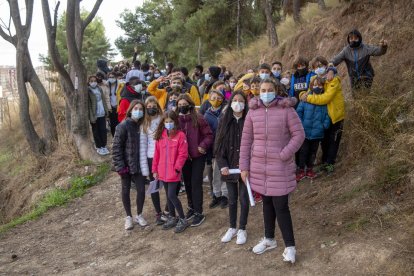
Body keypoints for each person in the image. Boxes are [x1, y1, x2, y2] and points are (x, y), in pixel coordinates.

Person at [239, 79, 305, 264]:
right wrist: (244, 167)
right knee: (266, 203)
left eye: (269, 90)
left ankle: (290, 247)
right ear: (258, 91)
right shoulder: (252, 112)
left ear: (276, 91)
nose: (266, 92)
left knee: (281, 206)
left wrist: (284, 154)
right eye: (263, 90)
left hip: (280, 167)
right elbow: (246, 141)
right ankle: (269, 239)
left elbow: (299, 135)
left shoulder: (286, 110)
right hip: (259, 167)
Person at [215, 91, 250, 245]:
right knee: (232, 199)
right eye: (234, 100)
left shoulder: (249, 119)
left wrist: (247, 166)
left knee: (243, 198)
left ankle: (242, 228)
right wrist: (222, 165)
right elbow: (219, 145)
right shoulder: (224, 120)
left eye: (241, 100)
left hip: (244, 168)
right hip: (229, 167)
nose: (237, 103)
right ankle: (232, 227)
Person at [112, 100, 150, 230]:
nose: (138, 111)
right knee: (125, 190)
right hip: (126, 165)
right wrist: (120, 166)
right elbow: (116, 147)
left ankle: (139, 214)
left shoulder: (143, 126)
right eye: (136, 108)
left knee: (141, 190)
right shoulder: (122, 126)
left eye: (141, 109)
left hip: (140, 164)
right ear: (130, 110)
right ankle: (128, 216)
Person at [177, 94, 213, 226]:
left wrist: (202, 146)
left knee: (196, 183)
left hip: (197, 156)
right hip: (184, 157)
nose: (182, 107)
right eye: (179, 105)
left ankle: (199, 212)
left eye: (184, 104)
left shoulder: (198, 118)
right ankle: (191, 207)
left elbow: (208, 135)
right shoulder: (177, 120)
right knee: (187, 183)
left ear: (190, 104)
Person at [300, 67, 345, 174]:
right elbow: (310, 88)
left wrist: (308, 98)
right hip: (325, 117)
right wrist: (302, 94)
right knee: (325, 141)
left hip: (335, 117)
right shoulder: (322, 81)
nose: (328, 75)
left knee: (333, 142)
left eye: (329, 72)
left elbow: (325, 99)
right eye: (316, 66)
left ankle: (329, 164)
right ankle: (325, 162)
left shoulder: (333, 82)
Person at [152, 110, 189, 233]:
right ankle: (172, 217)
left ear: (175, 122)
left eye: (171, 121)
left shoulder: (180, 136)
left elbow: (183, 154)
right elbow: (156, 154)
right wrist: (155, 169)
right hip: (163, 172)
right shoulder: (160, 135)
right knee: (168, 196)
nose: (168, 124)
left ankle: (183, 219)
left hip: (174, 172)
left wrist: (177, 168)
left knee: (172, 195)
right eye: (166, 121)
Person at [296, 77, 331, 181]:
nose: (317, 87)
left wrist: (325, 125)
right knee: (303, 151)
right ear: (311, 86)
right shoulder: (306, 98)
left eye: (320, 85)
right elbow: (299, 112)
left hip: (317, 132)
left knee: (313, 152)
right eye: (315, 85)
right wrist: (300, 124)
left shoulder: (324, 100)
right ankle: (301, 170)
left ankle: (310, 169)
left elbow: (327, 115)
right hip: (305, 132)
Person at [331, 29, 388, 93]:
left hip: (366, 76)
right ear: (348, 39)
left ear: (359, 38)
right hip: (354, 78)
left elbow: (379, 51)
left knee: (365, 95)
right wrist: (330, 64)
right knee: (356, 97)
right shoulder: (346, 51)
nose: (353, 40)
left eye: (355, 38)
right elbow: (336, 60)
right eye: (351, 38)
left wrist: (383, 47)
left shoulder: (366, 48)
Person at [142, 96, 168, 225]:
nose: (151, 109)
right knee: (154, 185)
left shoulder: (163, 119)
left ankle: (169, 210)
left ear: (158, 106)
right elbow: (143, 143)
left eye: (154, 106)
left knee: (168, 182)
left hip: (164, 155)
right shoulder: (143, 122)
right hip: (151, 156)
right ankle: (158, 212)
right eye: (149, 107)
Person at [203, 90, 228, 209]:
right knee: (214, 173)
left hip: (225, 147)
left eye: (219, 98)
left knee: (223, 172)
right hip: (213, 149)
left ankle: (224, 195)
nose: (216, 100)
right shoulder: (206, 115)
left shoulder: (226, 112)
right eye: (213, 98)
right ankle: (216, 195)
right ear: (209, 99)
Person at [88, 75, 109, 156]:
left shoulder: (99, 88)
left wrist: (106, 110)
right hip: (94, 114)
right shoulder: (88, 90)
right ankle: (99, 147)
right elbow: (89, 105)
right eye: (91, 81)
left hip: (102, 112)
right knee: (96, 131)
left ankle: (104, 145)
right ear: (89, 82)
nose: (93, 82)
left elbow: (103, 100)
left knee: (103, 130)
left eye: (94, 81)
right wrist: (91, 116)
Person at [107, 72, 122, 136]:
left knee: (119, 123)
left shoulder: (121, 85)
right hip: (111, 107)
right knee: (112, 124)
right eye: (110, 77)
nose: (111, 78)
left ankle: (120, 136)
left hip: (119, 107)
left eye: (112, 77)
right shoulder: (106, 85)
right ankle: (114, 137)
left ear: (115, 77)